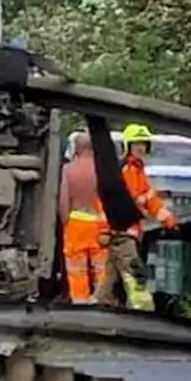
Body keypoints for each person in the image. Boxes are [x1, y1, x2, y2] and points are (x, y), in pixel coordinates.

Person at [92, 123, 177, 310]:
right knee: (136, 274)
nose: (141, 147)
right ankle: (144, 312)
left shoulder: (137, 170)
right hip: (120, 233)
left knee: (109, 281)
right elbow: (112, 202)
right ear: (128, 146)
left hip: (125, 232)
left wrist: (167, 219)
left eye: (144, 143)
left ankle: (95, 311)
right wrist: (105, 230)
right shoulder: (125, 170)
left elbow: (149, 198)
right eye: (136, 143)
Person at [59, 131, 108, 303]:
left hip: (76, 224)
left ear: (77, 148)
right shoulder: (103, 169)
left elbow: (63, 201)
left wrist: (66, 223)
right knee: (101, 269)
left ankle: (80, 303)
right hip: (100, 226)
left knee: (76, 270)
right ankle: (102, 300)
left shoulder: (69, 169)